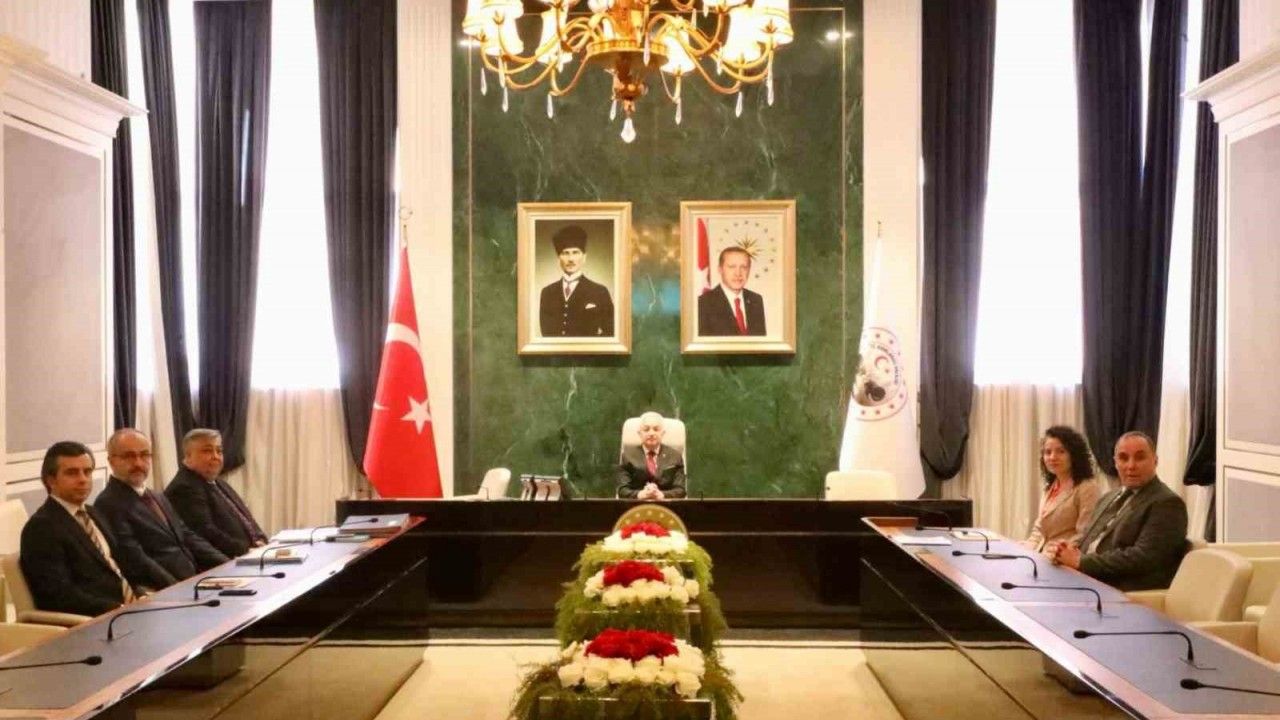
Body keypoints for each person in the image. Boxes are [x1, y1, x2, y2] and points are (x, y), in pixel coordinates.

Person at [1048, 431, 1188, 591]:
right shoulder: (1108, 497)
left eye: (1140, 457)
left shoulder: (1167, 503)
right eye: (1123, 458)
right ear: (1115, 462)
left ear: (1155, 461)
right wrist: (1066, 549)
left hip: (1120, 591)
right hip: (1084, 580)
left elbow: (1144, 558)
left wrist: (1081, 562)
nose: (1131, 466)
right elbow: (1089, 541)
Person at [95, 429, 229, 589]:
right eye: (129, 456)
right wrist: (178, 588)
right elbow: (135, 558)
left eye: (144, 455)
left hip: (193, 580)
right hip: (162, 590)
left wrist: (228, 564)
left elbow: (186, 535)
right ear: (111, 461)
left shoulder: (156, 496)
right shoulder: (108, 503)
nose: (138, 463)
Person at [20, 441, 142, 616]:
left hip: (130, 609)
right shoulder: (41, 528)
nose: (83, 479)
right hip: (98, 620)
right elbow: (58, 596)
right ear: (51, 480)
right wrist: (119, 609)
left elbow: (119, 567)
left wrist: (141, 596)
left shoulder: (93, 513)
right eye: (72, 473)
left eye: (87, 472)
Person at [165, 428, 268, 557]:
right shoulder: (184, 487)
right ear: (188, 456)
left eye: (219, 451)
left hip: (251, 555)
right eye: (207, 451)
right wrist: (247, 550)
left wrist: (262, 539)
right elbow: (206, 532)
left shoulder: (217, 481)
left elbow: (246, 517)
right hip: (223, 562)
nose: (215, 456)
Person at [1022, 426, 1101, 553]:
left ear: (1074, 455)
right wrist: (1024, 549)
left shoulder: (1087, 488)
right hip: (1041, 555)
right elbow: (1039, 530)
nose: (1053, 457)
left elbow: (1084, 535)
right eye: (1048, 452)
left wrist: (1056, 553)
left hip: (1063, 558)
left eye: (1061, 451)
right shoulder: (1050, 487)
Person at [538, 225, 615, 337]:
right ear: (558, 258)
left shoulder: (600, 292)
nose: (571, 259)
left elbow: (611, 333)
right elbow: (546, 334)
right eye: (565, 253)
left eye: (575, 252)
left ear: (584, 257)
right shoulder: (547, 293)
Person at [617, 411, 687, 500]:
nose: (651, 433)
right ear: (639, 433)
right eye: (646, 429)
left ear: (663, 433)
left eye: (656, 429)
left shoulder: (675, 456)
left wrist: (662, 495)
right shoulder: (628, 456)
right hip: (637, 505)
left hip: (666, 505)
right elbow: (622, 490)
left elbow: (681, 490)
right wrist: (640, 494)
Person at [697, 246, 766, 336]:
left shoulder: (756, 300)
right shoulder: (703, 303)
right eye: (732, 267)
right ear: (720, 269)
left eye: (744, 267)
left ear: (749, 270)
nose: (738, 273)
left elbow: (760, 341)